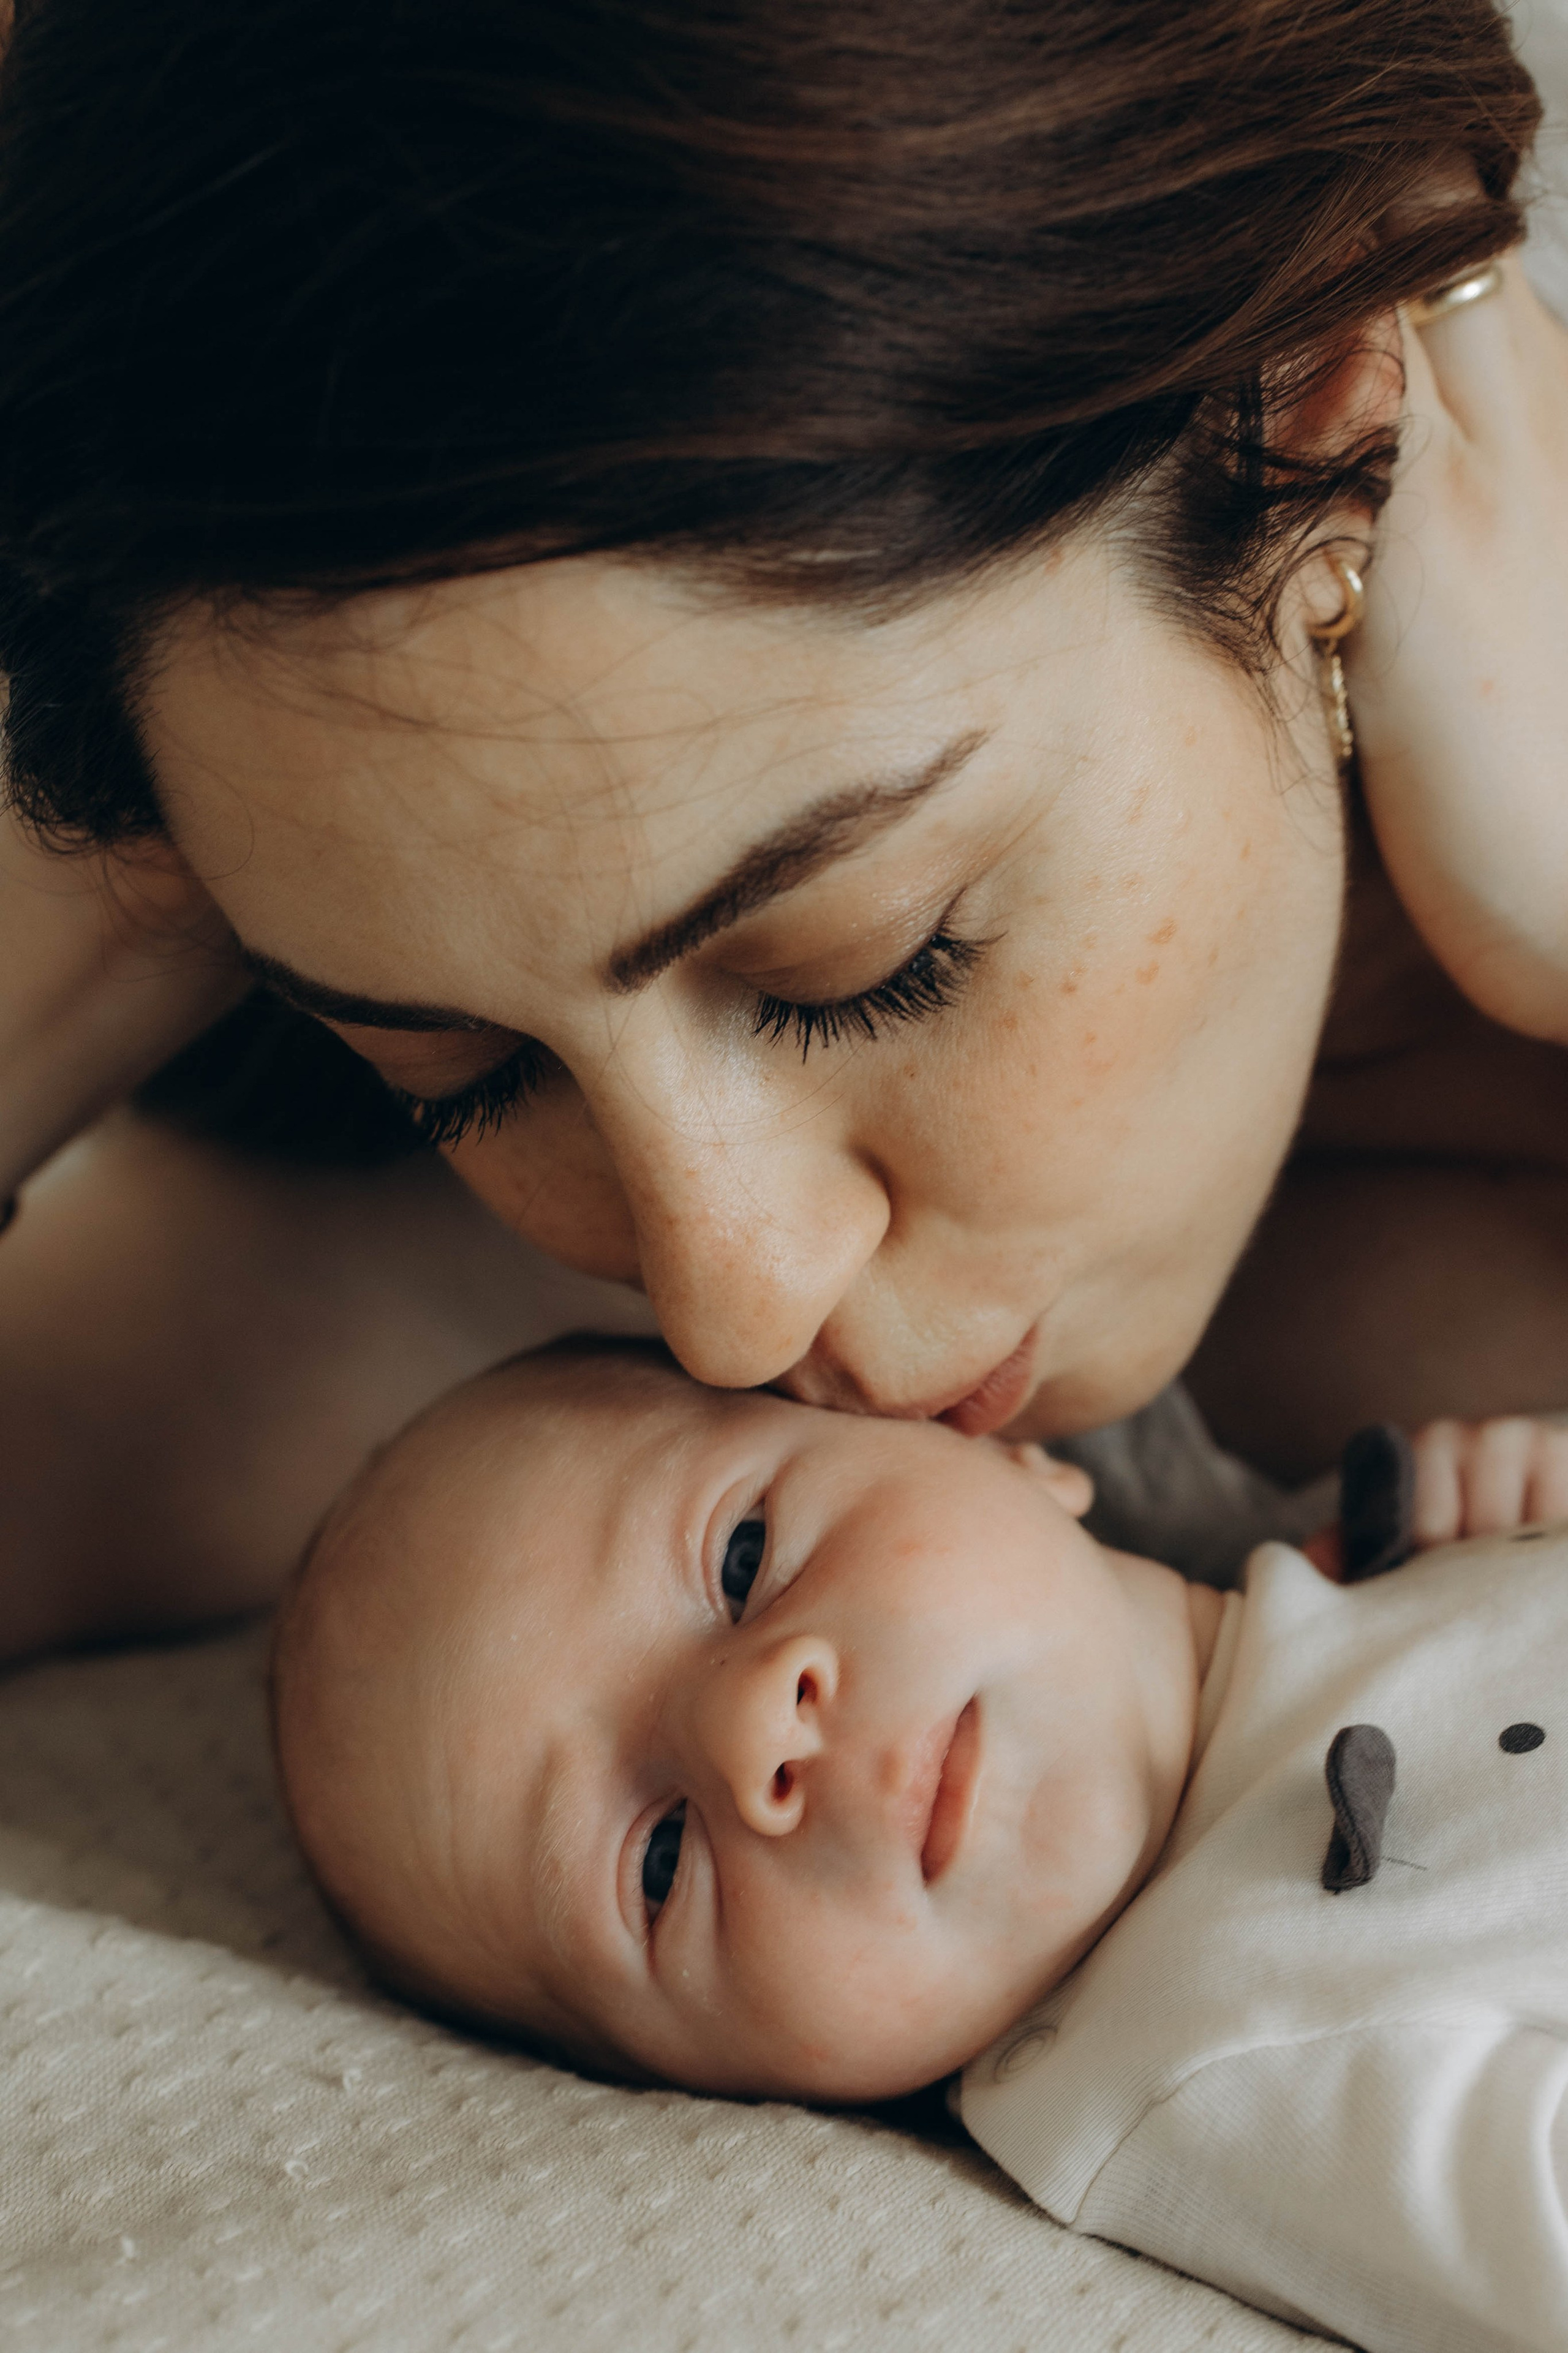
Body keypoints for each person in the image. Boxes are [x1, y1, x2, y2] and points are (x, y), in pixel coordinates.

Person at [5, 0, 1568, 1652]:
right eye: (466, 1075)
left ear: (1318, 405)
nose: (732, 1308)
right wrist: (137, 782)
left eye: (861, 969)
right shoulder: (616, 1256)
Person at [273, 1341, 1568, 2353]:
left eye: (740, 1555)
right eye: (657, 1865)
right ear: (704, 2086)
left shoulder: (1368, 1548)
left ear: (996, 1444)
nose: (750, 1734)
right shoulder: (1208, 2061)